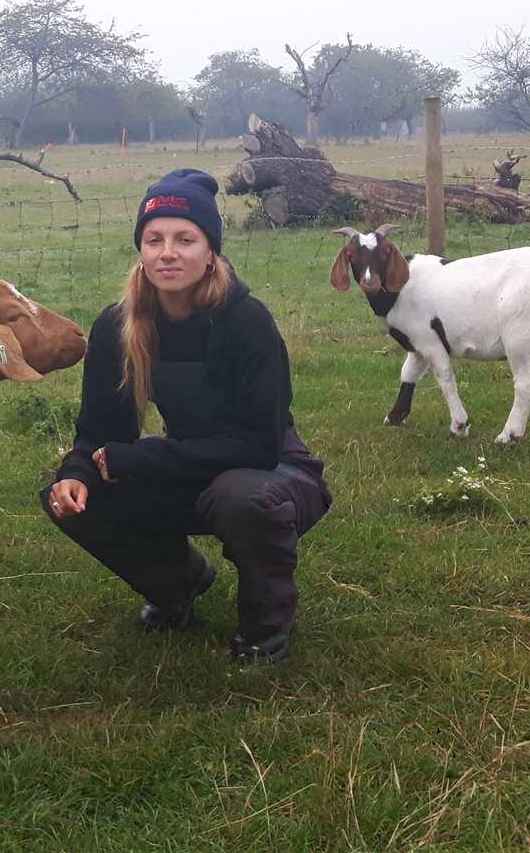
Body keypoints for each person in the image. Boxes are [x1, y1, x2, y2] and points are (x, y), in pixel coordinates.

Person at [43, 169, 331, 662]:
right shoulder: (117, 326)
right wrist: (76, 474)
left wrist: (139, 459)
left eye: (185, 238)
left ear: (210, 250)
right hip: (190, 467)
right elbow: (101, 432)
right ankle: (178, 585)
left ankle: (266, 622)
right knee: (75, 496)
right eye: (154, 239)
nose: (168, 252)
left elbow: (258, 445)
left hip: (274, 471)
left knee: (239, 496)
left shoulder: (247, 320)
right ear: (140, 248)